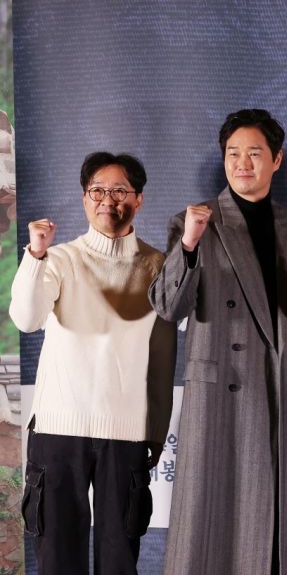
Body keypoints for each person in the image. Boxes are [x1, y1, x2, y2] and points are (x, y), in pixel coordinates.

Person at [149, 109, 287, 575]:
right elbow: (168, 307)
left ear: (277, 160)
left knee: (278, 524)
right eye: (233, 154)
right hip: (225, 385)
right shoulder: (196, 220)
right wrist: (188, 246)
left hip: (285, 385)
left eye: (255, 154)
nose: (243, 163)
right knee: (212, 520)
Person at [11, 151, 176, 575]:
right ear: (85, 199)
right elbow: (26, 318)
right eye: (97, 190)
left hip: (125, 435)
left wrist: (155, 431)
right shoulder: (57, 258)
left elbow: (172, 340)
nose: (108, 200)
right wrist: (35, 253)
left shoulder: (158, 265)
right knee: (57, 562)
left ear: (138, 199)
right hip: (58, 432)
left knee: (119, 562)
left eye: (120, 190)